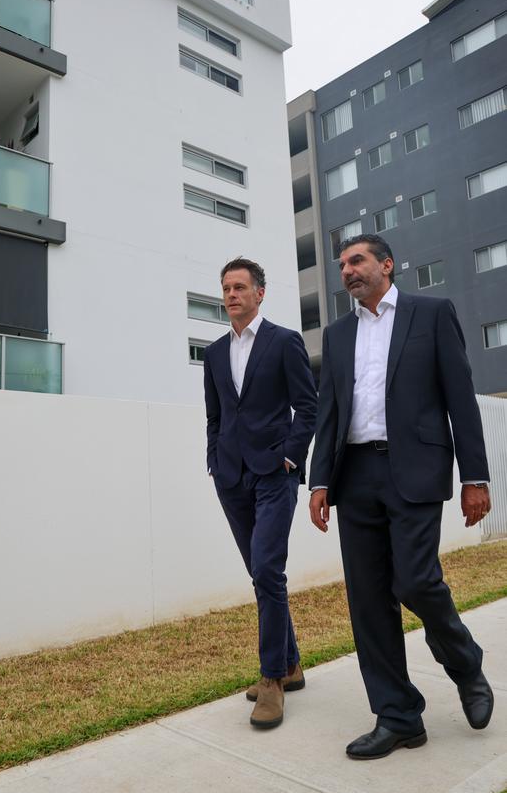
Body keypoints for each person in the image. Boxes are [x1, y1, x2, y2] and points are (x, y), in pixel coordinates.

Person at [309, 233, 493, 759]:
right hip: (355, 475)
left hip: (413, 469)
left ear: (386, 265)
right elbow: (330, 413)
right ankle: (398, 717)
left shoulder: (430, 314)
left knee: (414, 580)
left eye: (358, 260)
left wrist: (474, 476)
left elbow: (460, 396)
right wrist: (320, 481)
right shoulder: (338, 334)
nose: (347, 270)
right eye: (342, 264)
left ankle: (465, 664)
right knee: (368, 601)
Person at [204, 257, 317, 730]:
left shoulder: (284, 341)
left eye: (240, 287)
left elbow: (308, 407)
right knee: (260, 573)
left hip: (274, 474)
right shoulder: (213, 353)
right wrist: (214, 458)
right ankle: (290, 665)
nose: (231, 295)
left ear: (260, 292)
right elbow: (215, 415)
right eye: (226, 288)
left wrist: (289, 459)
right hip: (232, 477)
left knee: (269, 568)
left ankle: (272, 679)